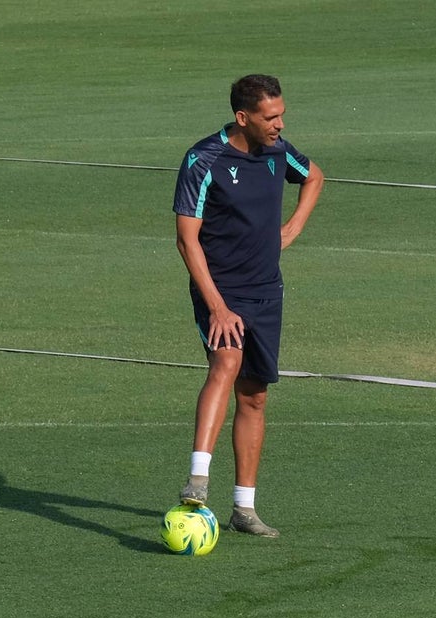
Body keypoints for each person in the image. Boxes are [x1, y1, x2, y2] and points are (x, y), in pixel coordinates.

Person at [172, 74, 324, 537]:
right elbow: (187, 240)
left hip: (266, 291)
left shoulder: (278, 151)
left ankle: (244, 509)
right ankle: (198, 481)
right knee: (226, 361)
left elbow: (314, 176)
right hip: (220, 290)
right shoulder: (204, 159)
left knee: (255, 396)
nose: (280, 124)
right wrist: (217, 306)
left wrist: (292, 228)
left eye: (281, 115)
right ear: (243, 117)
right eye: (270, 117)